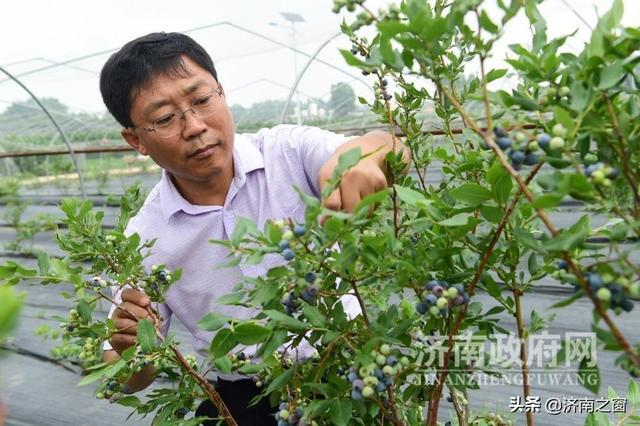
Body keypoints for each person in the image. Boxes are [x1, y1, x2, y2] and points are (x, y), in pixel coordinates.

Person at [99, 32, 409, 425]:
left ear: (222, 93)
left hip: (349, 369)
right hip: (245, 400)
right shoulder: (143, 239)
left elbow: (385, 144)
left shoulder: (287, 152)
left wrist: (364, 158)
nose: (194, 126)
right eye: (164, 118)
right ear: (135, 140)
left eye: (201, 100)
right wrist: (127, 346)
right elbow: (130, 377)